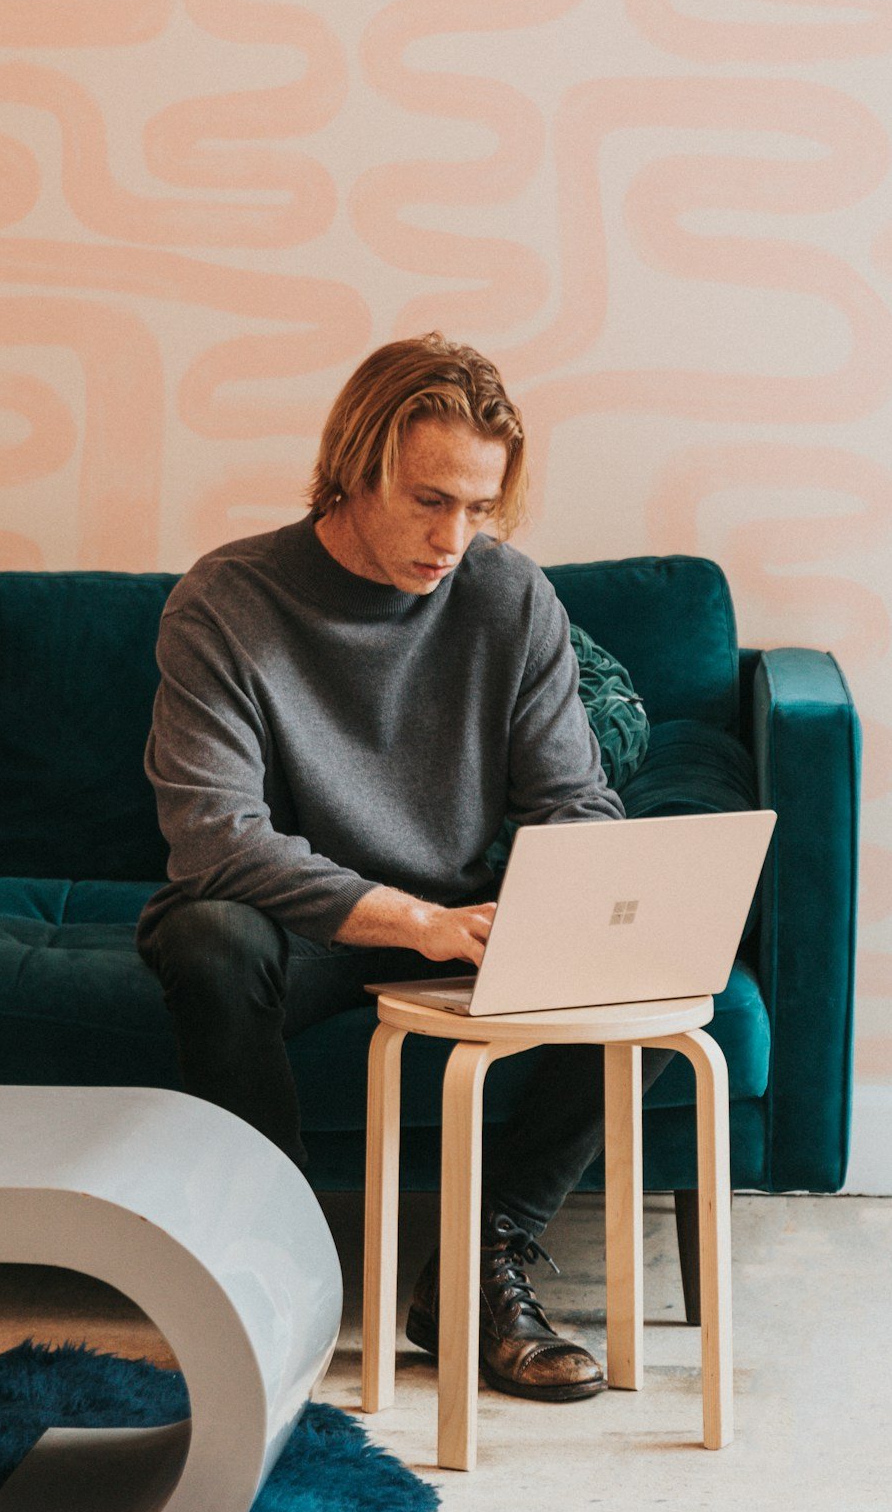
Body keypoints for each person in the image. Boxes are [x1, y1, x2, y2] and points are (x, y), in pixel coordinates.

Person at [137, 333, 668, 1403]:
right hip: (295, 915)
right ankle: (277, 1262)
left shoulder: (507, 596)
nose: (452, 537)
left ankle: (477, 1270)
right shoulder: (227, 600)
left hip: (461, 905)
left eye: (479, 507)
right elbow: (215, 836)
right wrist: (408, 920)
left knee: (652, 968)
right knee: (204, 933)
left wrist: (584, 904)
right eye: (429, 499)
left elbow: (571, 799)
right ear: (352, 464)